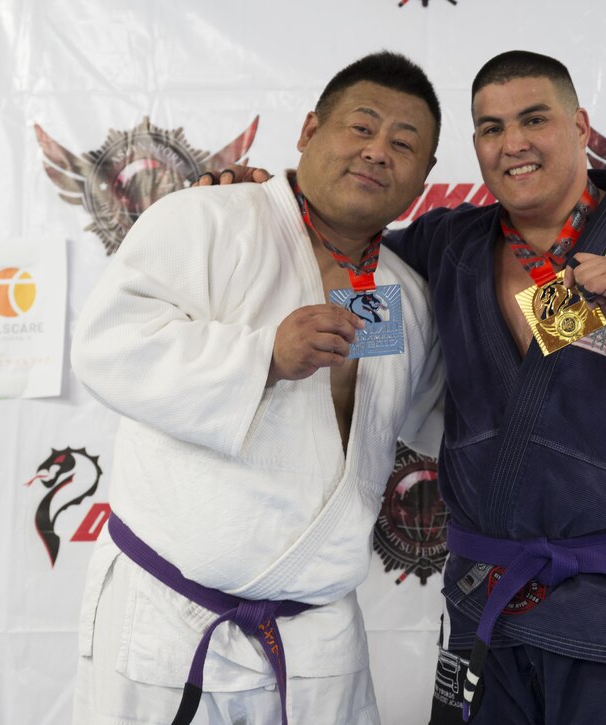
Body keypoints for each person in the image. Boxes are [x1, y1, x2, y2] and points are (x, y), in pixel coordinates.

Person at [208, 50, 606, 725]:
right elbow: (339, 251)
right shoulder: (449, 245)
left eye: (533, 119)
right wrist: (258, 203)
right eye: (491, 128)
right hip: (482, 606)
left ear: (581, 125)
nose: (512, 142)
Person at [70, 51, 445, 725]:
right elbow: (107, 344)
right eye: (361, 127)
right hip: (170, 618)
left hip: (319, 638)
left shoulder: (405, 295)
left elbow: (448, 417)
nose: (377, 152)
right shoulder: (209, 220)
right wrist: (261, 356)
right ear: (308, 130)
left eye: (403, 143)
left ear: (424, 178)